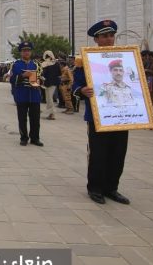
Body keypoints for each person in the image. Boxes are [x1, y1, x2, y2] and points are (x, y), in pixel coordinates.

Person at [73, 19, 130, 205]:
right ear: (96, 39)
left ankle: (112, 188)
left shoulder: (126, 58)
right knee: (99, 153)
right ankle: (95, 188)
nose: (109, 39)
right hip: (98, 115)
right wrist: (82, 91)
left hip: (121, 115)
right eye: (105, 36)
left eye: (112, 35)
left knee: (118, 153)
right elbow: (77, 84)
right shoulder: (86, 59)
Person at [9, 42, 43, 147]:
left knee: (35, 118)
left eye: (28, 50)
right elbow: (11, 79)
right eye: (24, 51)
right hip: (21, 95)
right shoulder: (15, 64)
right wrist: (23, 75)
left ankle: (35, 138)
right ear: (21, 52)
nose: (26, 52)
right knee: (22, 118)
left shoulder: (37, 64)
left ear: (31, 52)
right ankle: (24, 137)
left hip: (34, 95)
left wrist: (39, 82)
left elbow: (42, 78)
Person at [41, 50, 61, 120]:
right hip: (51, 83)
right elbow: (59, 73)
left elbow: (43, 74)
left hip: (49, 83)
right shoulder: (56, 63)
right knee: (48, 98)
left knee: (49, 98)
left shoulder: (45, 64)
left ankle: (52, 114)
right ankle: (51, 113)